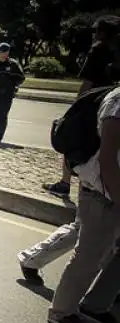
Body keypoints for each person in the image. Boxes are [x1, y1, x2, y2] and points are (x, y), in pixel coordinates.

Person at [47, 85, 120, 323]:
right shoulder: (118, 102)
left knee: (113, 252)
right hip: (102, 193)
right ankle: (61, 311)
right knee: (89, 255)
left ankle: (96, 306)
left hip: (111, 192)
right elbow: (108, 160)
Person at [43, 15, 120, 198]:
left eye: (96, 31)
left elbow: (88, 81)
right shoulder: (116, 51)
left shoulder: (98, 50)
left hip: (94, 104)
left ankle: (66, 182)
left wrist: (76, 107)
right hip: (112, 105)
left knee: (75, 140)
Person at [0, 42, 25, 145]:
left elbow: (21, 78)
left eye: (2, 51)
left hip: (6, 95)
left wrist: (10, 80)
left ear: (7, 52)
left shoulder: (13, 65)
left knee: (2, 115)